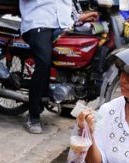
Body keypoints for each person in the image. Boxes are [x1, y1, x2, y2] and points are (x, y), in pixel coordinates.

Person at [19, 0, 98, 134]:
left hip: (64, 25)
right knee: (44, 62)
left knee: (77, 54)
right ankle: (33, 115)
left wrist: (81, 17)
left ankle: (66, 102)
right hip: (39, 24)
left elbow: (67, 6)